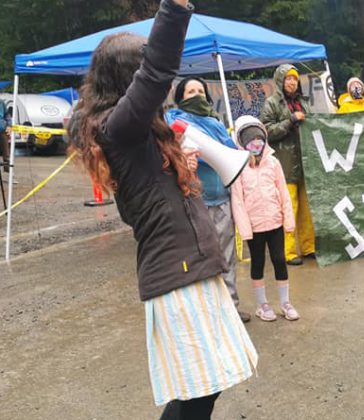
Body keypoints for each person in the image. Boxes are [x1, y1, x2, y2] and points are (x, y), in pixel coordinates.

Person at [67, 1, 258, 417]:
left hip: (191, 267)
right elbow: (155, 72)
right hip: (177, 274)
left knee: (207, 386)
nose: (161, 87)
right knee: (198, 390)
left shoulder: (136, 134)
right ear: (125, 80)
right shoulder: (118, 128)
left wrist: (178, 173)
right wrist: (175, 9)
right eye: (139, 76)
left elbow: (139, 202)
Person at [164, 76, 251, 322]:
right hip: (193, 201)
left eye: (200, 90)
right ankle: (205, 313)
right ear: (180, 98)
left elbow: (228, 154)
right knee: (199, 259)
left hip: (220, 198)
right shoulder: (173, 124)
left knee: (226, 257)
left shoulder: (216, 123)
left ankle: (230, 308)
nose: (197, 95)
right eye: (190, 91)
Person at [231, 116, 300, 322]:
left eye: (260, 139)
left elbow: (283, 193)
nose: (256, 144)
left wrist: (288, 221)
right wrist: (244, 230)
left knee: (280, 260)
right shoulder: (239, 166)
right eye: (252, 140)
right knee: (258, 262)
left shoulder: (274, 162)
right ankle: (262, 304)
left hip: (275, 222)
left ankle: (285, 302)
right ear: (243, 142)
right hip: (254, 226)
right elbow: (237, 200)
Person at [260, 64, 315, 265]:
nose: (292, 82)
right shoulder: (271, 103)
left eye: (295, 78)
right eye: (288, 78)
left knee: (307, 209)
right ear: (281, 80)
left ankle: (309, 247)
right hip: (284, 162)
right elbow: (266, 131)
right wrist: (290, 120)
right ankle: (288, 251)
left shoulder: (304, 102)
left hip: (306, 162)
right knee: (289, 208)